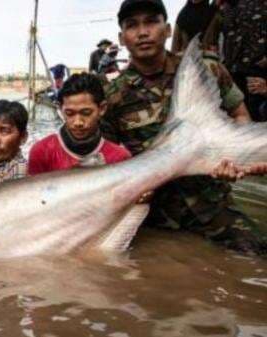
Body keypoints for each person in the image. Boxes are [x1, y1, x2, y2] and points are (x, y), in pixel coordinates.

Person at [102, 0, 267, 253]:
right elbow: (111, 159)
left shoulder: (204, 69)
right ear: (122, 38)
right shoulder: (112, 96)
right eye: (132, 25)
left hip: (212, 205)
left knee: (256, 256)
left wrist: (234, 157)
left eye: (151, 22)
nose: (143, 32)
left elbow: (240, 115)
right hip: (152, 217)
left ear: (167, 30)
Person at [28, 73, 131, 175]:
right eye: (69, 113)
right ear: (60, 109)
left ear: (102, 108)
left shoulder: (120, 158)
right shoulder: (42, 152)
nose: (78, 122)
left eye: (86, 113)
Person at [220, 0, 267, 121]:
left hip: (257, 69)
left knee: (257, 113)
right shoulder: (227, 7)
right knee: (238, 117)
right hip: (234, 69)